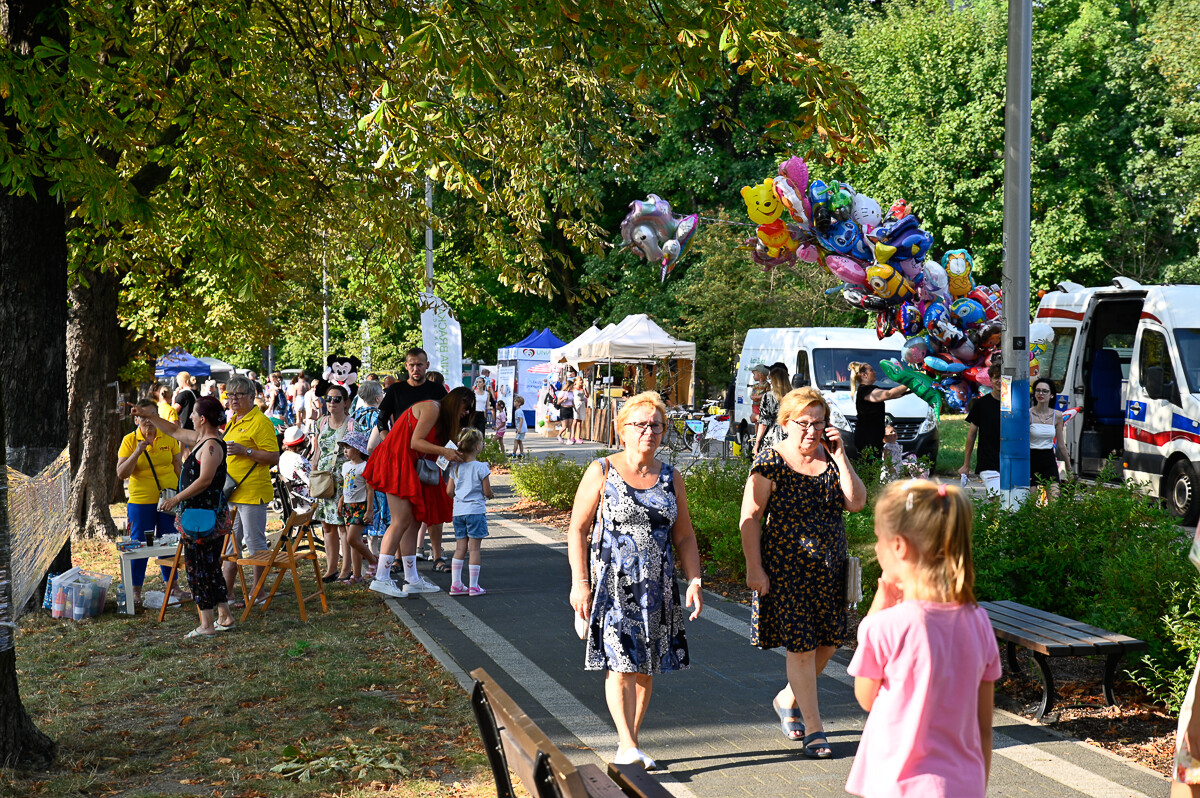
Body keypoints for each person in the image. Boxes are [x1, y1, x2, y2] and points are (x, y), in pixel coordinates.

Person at [567, 391, 704, 769]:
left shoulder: (670, 476)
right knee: (621, 664)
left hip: (657, 588)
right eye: (640, 424)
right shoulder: (602, 471)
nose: (649, 431)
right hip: (612, 586)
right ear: (622, 430)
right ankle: (627, 745)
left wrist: (694, 579)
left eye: (656, 425)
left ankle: (632, 741)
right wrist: (580, 583)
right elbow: (577, 529)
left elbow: (685, 535)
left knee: (646, 667)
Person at [846, 479, 999, 797]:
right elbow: (984, 725)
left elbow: (865, 696)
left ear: (899, 546)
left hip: (898, 785)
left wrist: (882, 599)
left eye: (878, 539)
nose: (876, 547)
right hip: (964, 785)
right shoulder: (979, 621)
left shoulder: (886, 626)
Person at [739, 386, 866, 758]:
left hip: (829, 570)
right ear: (785, 424)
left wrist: (842, 458)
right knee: (802, 647)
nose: (811, 431)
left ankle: (787, 697)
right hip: (787, 569)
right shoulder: (770, 462)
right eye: (804, 423)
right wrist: (754, 568)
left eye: (819, 423)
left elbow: (856, 503)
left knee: (828, 641)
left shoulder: (829, 459)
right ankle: (814, 729)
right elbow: (750, 518)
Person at [131, 396, 237, 637]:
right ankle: (225, 616)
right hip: (202, 517)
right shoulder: (202, 438)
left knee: (198, 568)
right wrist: (148, 416)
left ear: (202, 418)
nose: (189, 417)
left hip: (203, 518)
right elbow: (174, 430)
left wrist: (176, 499)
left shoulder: (210, 445)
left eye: (194, 414)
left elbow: (205, 480)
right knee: (210, 567)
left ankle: (207, 625)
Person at [365, 386, 474, 597]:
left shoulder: (441, 417)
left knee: (413, 522)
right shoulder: (433, 408)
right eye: (466, 406)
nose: (467, 412)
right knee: (400, 521)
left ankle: (412, 579)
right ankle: (382, 577)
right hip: (396, 461)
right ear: (455, 402)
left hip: (407, 464)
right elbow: (416, 442)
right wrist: (445, 451)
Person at [220, 374, 281, 606]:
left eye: (239, 395)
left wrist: (246, 451)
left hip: (252, 491)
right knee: (231, 542)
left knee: (254, 542)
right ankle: (227, 591)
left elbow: (273, 457)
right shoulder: (234, 420)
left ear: (252, 397)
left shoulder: (260, 422)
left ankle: (258, 591)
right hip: (232, 492)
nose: (233, 399)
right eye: (230, 395)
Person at [116, 399, 183, 605]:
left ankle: (172, 585)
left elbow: (178, 466)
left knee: (170, 541)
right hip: (141, 501)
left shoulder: (169, 438)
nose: (148, 421)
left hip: (169, 500)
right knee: (139, 544)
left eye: (152, 415)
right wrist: (137, 451)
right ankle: (136, 589)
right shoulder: (129, 440)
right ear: (136, 419)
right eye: (143, 417)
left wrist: (183, 494)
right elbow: (121, 473)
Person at [312, 382, 355, 581]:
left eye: (336, 399)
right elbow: (317, 450)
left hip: (344, 479)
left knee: (343, 525)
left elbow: (357, 454)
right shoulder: (320, 422)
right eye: (328, 399)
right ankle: (331, 568)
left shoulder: (352, 424)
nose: (331, 402)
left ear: (345, 402)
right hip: (324, 479)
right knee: (327, 525)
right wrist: (313, 472)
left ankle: (346, 568)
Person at [446, 428, 494, 596]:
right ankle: (474, 586)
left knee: (460, 548)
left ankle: (456, 584)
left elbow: (449, 492)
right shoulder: (482, 467)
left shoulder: (455, 467)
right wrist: (491, 495)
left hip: (459, 512)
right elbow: (487, 492)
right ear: (476, 447)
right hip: (475, 511)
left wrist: (459, 495)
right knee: (474, 549)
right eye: (481, 442)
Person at [351, 380, 389, 568]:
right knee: (378, 505)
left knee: (361, 502)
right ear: (377, 397)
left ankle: (361, 548)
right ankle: (375, 550)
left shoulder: (354, 416)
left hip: (356, 465)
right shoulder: (379, 416)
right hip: (375, 465)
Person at [336, 429, 377, 583]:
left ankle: (373, 560)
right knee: (354, 542)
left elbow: (369, 489)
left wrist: (369, 510)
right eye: (344, 448)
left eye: (348, 447)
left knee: (352, 539)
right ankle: (357, 575)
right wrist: (341, 501)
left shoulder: (365, 466)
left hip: (361, 506)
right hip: (348, 506)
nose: (345, 451)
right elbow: (347, 487)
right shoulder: (345, 466)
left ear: (359, 449)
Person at [848, 362, 910, 458]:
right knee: (871, 467)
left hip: (874, 438)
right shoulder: (865, 391)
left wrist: (913, 388)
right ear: (864, 375)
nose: (875, 372)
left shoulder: (868, 390)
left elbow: (896, 394)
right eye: (871, 370)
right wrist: (910, 381)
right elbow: (889, 394)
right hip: (867, 439)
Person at [960, 362, 1003, 494]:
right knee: (997, 498)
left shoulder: (1015, 404)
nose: (999, 381)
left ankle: (987, 516)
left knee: (1009, 503)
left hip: (1010, 461)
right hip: (988, 461)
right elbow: (971, 434)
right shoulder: (981, 404)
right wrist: (966, 464)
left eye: (1003, 377)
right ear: (990, 380)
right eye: (996, 377)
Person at [1031, 377, 1072, 500]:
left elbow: (1061, 445)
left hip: (1048, 458)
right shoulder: (1028, 414)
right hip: (1031, 458)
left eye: (1045, 391)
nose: (1041, 394)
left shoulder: (1057, 416)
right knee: (1031, 502)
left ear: (1052, 395)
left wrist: (1069, 468)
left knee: (1054, 501)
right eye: (1038, 390)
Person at [753, 364, 791, 456]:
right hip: (790, 437)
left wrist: (757, 442)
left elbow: (764, 422)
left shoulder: (768, 396)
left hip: (772, 438)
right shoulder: (794, 396)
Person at [277, 425, 313, 514]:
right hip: (305, 503)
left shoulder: (283, 457)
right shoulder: (299, 460)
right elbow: (311, 482)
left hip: (294, 500)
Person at [572, 377, 589, 444]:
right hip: (576, 403)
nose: (581, 381)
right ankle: (572, 436)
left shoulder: (583, 388)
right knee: (575, 420)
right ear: (576, 381)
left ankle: (578, 437)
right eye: (579, 380)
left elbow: (587, 396)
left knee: (580, 421)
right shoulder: (573, 388)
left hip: (582, 403)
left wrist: (585, 389)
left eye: (581, 380)